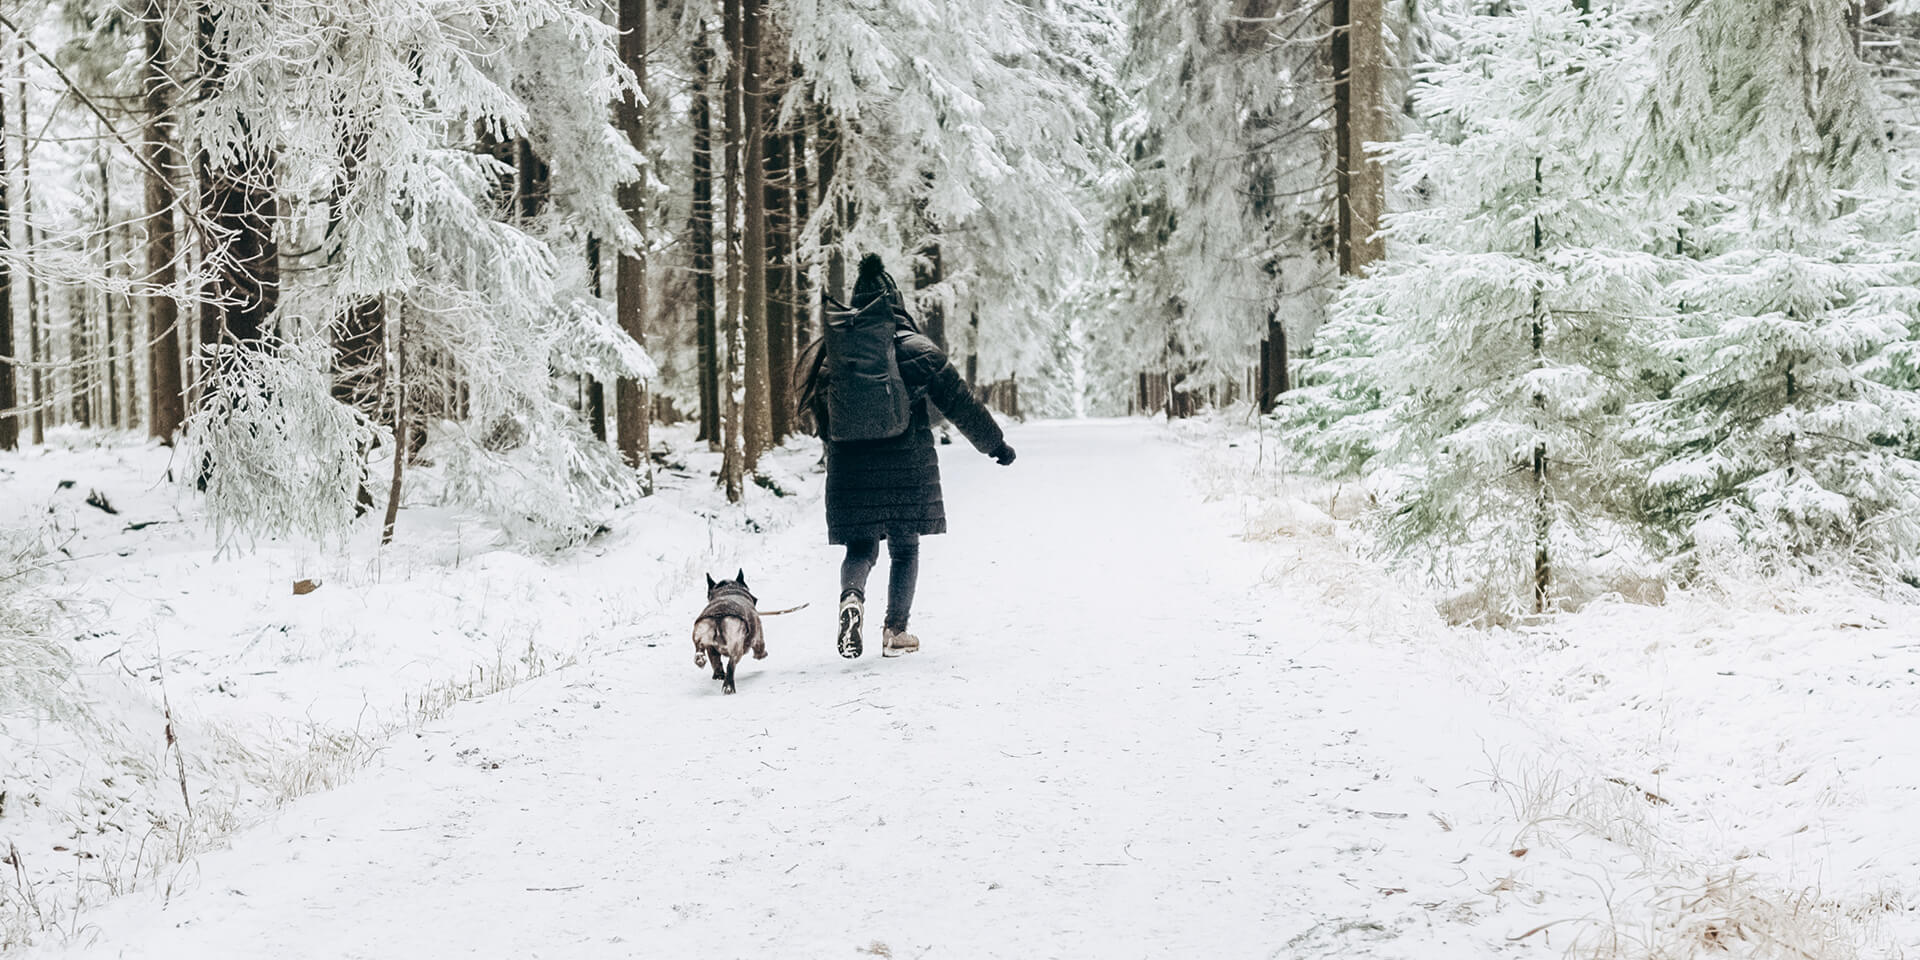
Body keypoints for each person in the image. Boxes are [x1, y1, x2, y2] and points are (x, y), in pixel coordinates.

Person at [795, 254, 1015, 659]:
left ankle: (851, 596)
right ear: (894, 301)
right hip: (906, 466)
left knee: (860, 548)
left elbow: (822, 420)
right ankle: (895, 632)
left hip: (850, 471)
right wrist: (996, 445)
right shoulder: (917, 349)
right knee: (905, 548)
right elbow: (960, 404)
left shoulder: (834, 357)